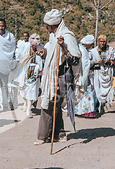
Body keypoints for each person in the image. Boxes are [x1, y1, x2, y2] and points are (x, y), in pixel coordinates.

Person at [34, 9, 81, 145]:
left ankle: (43, 136)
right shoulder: (53, 36)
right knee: (55, 104)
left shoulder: (66, 36)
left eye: (47, 25)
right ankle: (59, 134)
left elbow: (75, 60)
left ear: (52, 24)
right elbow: (53, 55)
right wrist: (44, 53)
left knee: (50, 104)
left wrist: (64, 47)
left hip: (62, 75)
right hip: (52, 74)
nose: (46, 28)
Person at [90, 34, 115, 114]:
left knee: (104, 92)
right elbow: (89, 63)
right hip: (96, 73)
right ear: (98, 42)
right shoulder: (93, 52)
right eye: (100, 41)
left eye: (103, 41)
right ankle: (95, 109)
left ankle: (102, 105)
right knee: (96, 91)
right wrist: (98, 63)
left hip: (107, 74)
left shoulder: (111, 51)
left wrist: (109, 62)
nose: (102, 43)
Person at [18, 33, 43, 118]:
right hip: (26, 71)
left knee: (32, 91)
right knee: (24, 90)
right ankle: (26, 104)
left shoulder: (41, 47)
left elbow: (42, 60)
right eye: (32, 45)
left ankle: (28, 109)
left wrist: (40, 70)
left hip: (35, 72)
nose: (33, 47)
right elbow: (19, 56)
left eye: (35, 45)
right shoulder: (25, 47)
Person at [75, 35, 97, 118]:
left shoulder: (81, 49)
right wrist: (93, 63)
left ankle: (77, 110)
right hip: (83, 75)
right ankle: (85, 111)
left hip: (80, 74)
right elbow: (85, 64)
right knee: (86, 91)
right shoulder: (83, 51)